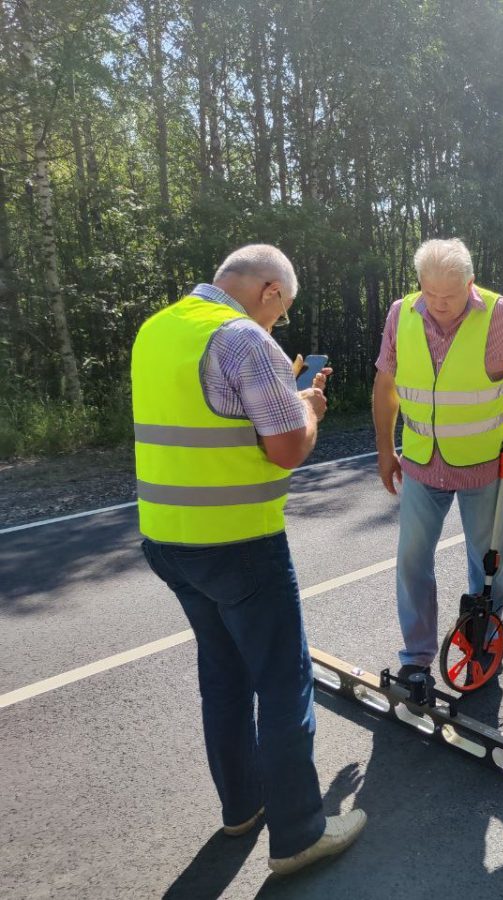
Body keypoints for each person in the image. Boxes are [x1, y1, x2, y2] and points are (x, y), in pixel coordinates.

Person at [132, 244, 366, 874]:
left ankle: (242, 807)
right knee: (283, 681)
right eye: (281, 310)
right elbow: (288, 448)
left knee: (224, 675)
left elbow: (210, 416)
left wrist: (279, 396)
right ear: (268, 291)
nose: (278, 324)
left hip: (166, 539)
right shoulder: (244, 339)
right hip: (238, 542)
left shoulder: (158, 329)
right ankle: (298, 835)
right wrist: (309, 410)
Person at [372, 238, 503, 683]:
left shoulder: (502, 315)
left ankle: (483, 645)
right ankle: (416, 659)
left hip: (482, 466)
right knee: (412, 561)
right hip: (420, 462)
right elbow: (385, 386)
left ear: (469, 283)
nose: (437, 304)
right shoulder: (402, 313)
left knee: (487, 563)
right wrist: (384, 449)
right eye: (429, 293)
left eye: (449, 295)